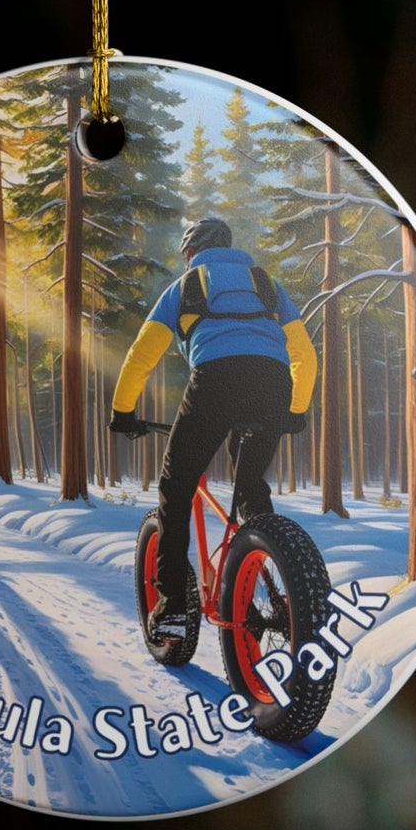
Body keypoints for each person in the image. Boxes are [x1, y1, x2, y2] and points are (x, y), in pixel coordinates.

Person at [109, 217, 318, 643]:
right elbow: (303, 353)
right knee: (249, 486)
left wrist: (123, 410)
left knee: (177, 483)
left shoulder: (186, 286)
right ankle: (272, 578)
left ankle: (172, 606)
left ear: (191, 253)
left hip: (215, 379)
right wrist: (295, 409)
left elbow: (141, 354)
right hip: (272, 383)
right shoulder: (266, 283)